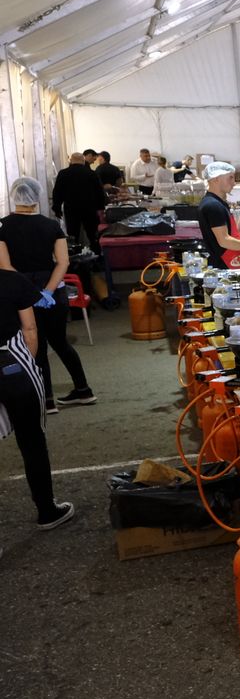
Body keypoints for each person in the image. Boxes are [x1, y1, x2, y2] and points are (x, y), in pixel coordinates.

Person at [0, 215, 75, 531]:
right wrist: (28, 364)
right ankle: (47, 510)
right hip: (12, 364)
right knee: (31, 439)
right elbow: (30, 331)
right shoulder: (13, 282)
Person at [0, 178, 94, 409]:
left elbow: (5, 266)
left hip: (21, 294)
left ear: (14, 196)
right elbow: (63, 262)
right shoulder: (52, 225)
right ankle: (83, 390)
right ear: (36, 197)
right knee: (61, 343)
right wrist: (47, 291)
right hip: (52, 292)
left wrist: (30, 293)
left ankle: (47, 400)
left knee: (36, 345)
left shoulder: (3, 226)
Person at [197, 162, 240, 270]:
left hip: (232, 264)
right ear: (216, 179)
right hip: (225, 267)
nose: (233, 183)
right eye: (230, 178)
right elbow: (224, 240)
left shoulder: (218, 203)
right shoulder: (212, 205)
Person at [51, 153, 105, 252]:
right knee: (92, 233)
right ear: (83, 161)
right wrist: (101, 208)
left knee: (73, 233)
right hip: (89, 208)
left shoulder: (63, 173)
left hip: (71, 208)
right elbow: (99, 192)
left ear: (71, 161)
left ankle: (75, 255)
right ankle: (97, 254)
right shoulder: (91, 173)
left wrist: (57, 208)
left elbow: (57, 192)